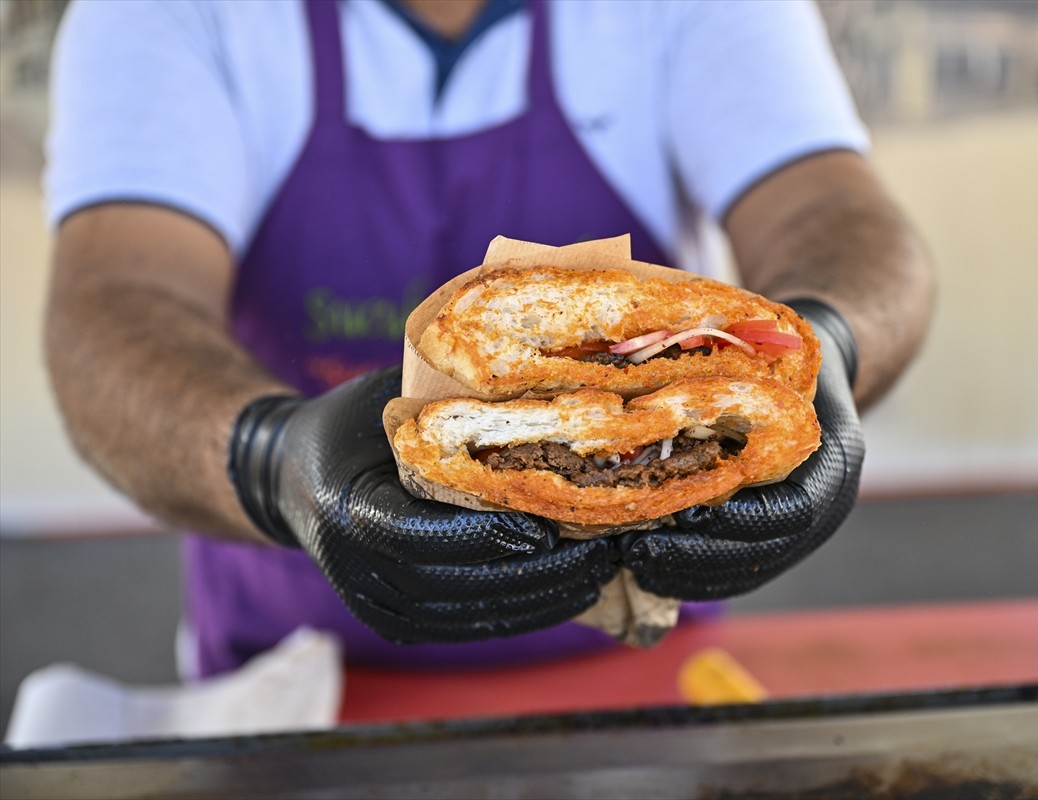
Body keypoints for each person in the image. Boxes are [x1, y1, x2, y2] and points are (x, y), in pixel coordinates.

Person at [41, 0, 934, 678]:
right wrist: (269, 460)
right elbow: (115, 304)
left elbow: (838, 217)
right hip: (295, 679)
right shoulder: (164, 15)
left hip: (640, 666)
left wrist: (832, 343)